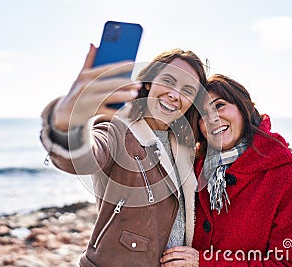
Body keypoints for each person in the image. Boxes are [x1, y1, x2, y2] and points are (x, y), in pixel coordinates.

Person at [40, 44, 207, 266]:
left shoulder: (188, 148)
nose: (175, 95)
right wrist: (67, 123)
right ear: (149, 82)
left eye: (188, 90)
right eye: (168, 81)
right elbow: (81, 158)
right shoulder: (117, 129)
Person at [160, 74, 292, 266]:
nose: (212, 119)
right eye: (201, 115)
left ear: (244, 108)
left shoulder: (283, 176)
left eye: (219, 105)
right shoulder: (190, 170)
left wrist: (206, 263)